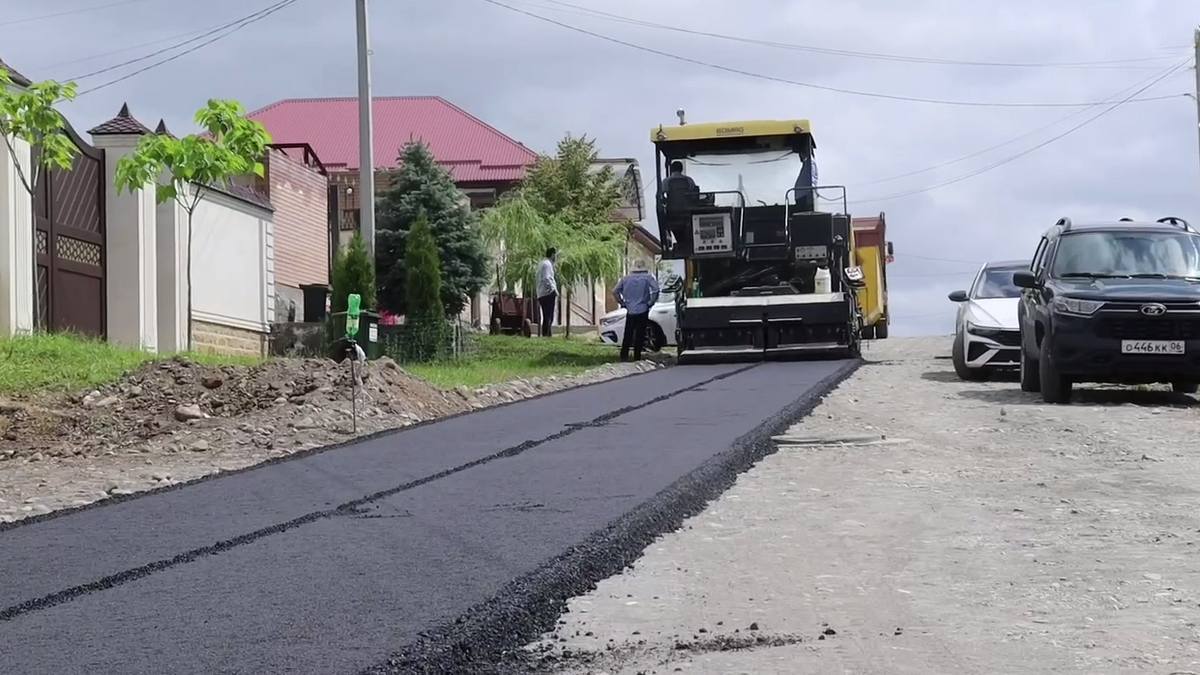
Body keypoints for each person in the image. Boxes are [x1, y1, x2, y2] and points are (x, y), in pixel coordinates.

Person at [613, 264, 661, 362]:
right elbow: (656, 290)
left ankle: (624, 355)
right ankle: (637, 356)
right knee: (640, 334)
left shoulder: (625, 279)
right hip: (643, 309)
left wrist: (622, 302)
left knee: (628, 333)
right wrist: (650, 302)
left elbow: (615, 291)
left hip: (630, 310)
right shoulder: (648, 278)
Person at [536, 247, 558, 337]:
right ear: (552, 254)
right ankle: (547, 334)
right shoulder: (547, 264)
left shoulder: (542, 263)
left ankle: (546, 334)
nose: (556, 257)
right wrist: (553, 289)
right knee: (549, 315)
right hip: (547, 293)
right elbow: (547, 278)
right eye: (555, 255)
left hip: (541, 293)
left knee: (546, 315)